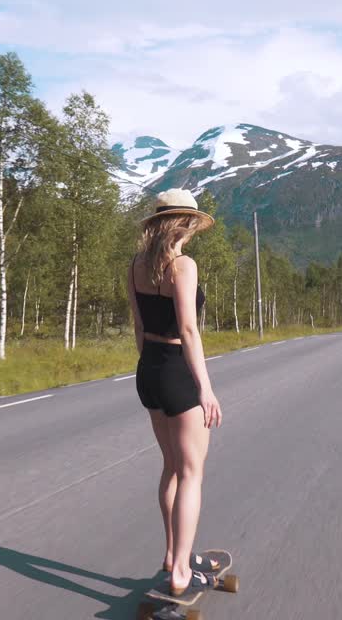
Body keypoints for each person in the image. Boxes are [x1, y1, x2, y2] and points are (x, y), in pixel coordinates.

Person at [127, 188, 223, 598]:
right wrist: (205, 388)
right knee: (191, 472)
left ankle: (172, 555)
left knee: (170, 466)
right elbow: (187, 330)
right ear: (186, 223)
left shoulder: (136, 265)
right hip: (177, 370)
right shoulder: (182, 265)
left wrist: (150, 368)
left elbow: (137, 324)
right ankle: (182, 571)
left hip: (147, 368)